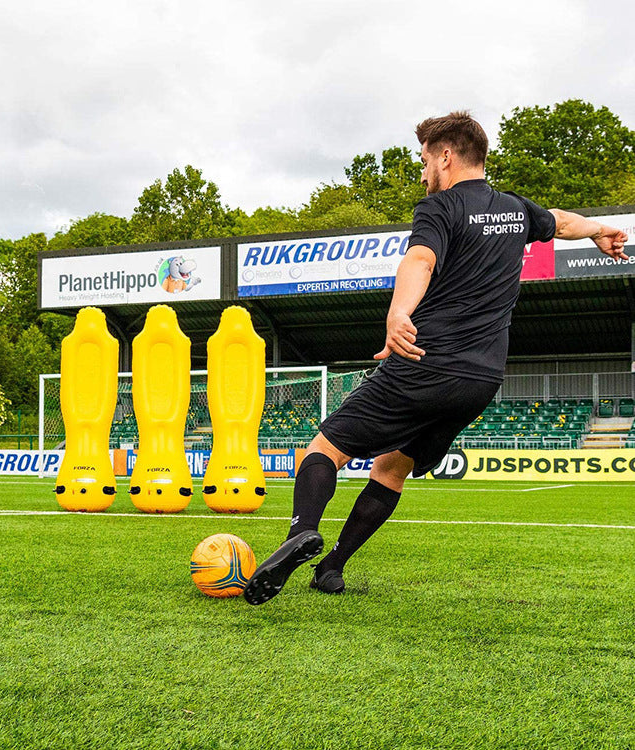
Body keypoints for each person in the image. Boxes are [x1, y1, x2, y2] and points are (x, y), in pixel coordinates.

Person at [243, 111, 629, 606]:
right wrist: (599, 231)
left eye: (424, 160)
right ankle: (331, 568)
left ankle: (301, 532)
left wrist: (398, 313)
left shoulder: (440, 208)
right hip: (482, 380)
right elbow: (563, 222)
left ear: (446, 156)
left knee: (323, 449)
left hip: (426, 361)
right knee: (391, 470)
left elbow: (420, 259)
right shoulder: (514, 209)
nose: (423, 172)